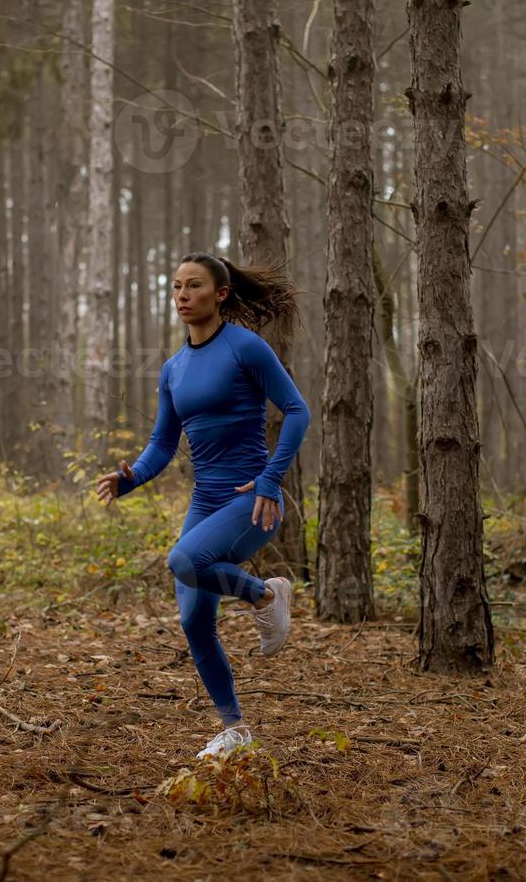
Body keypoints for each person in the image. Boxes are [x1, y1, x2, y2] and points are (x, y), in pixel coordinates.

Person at [95, 251, 311, 760]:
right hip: (206, 501)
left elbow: (298, 411)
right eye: (175, 287)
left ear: (221, 294)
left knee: (184, 560)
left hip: (252, 502)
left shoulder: (246, 348)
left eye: (193, 287)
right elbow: (163, 444)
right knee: (194, 621)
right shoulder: (174, 368)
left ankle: (265, 595)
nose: (182, 296)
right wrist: (131, 480)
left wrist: (269, 480)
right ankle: (234, 729)